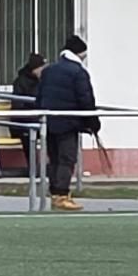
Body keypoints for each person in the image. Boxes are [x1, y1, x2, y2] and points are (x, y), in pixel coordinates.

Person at [36, 35, 99, 212]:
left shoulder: (48, 71)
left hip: (48, 121)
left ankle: (55, 193)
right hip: (69, 122)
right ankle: (62, 195)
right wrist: (93, 123)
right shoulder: (78, 72)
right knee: (67, 159)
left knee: (54, 159)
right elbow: (86, 100)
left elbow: (39, 97)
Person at [9, 52, 46, 168]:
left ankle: (50, 167)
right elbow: (18, 106)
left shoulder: (43, 81)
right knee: (29, 135)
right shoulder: (21, 82)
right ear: (35, 69)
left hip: (38, 120)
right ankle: (33, 168)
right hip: (23, 122)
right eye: (41, 68)